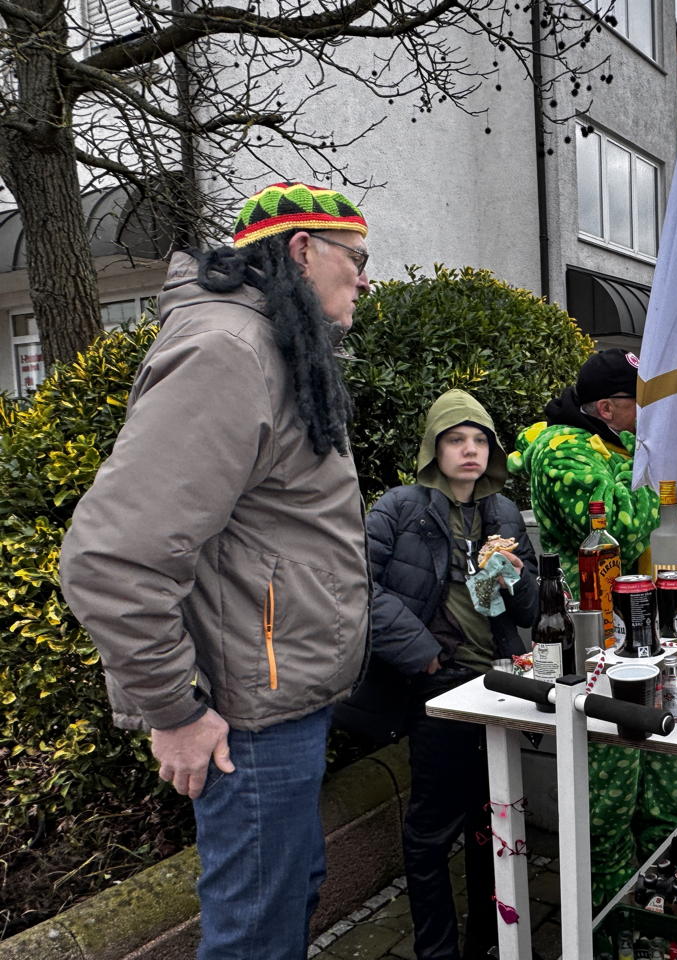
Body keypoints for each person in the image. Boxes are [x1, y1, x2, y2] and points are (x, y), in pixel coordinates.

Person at [59, 181, 373, 959]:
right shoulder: (230, 351)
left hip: (280, 705)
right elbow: (111, 559)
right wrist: (175, 712)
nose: (365, 279)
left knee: (285, 903)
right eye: (356, 259)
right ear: (302, 251)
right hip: (247, 725)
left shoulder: (267, 345)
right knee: (255, 939)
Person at [345, 389, 536, 960]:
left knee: (490, 818)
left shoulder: (500, 512)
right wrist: (422, 652)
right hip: (438, 684)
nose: (470, 450)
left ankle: (488, 941)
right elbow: (359, 587)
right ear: (434, 448)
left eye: (480, 440)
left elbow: (524, 612)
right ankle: (436, 951)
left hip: (498, 684)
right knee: (430, 833)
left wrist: (516, 578)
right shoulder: (398, 507)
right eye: (457, 439)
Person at [508, 348, 677, 908]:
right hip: (598, 649)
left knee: (667, 778)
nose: (653, 412)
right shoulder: (562, 451)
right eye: (643, 402)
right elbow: (620, 525)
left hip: (653, 638)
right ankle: (613, 919)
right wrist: (666, 475)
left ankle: (668, 909)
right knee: (609, 799)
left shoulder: (621, 442)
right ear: (609, 408)